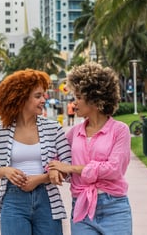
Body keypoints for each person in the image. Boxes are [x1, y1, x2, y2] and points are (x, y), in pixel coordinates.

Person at [0, 69, 71, 235]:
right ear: (20, 98)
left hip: (47, 199)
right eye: (38, 96)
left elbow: (68, 168)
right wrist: (5, 171)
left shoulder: (53, 129)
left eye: (43, 95)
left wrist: (40, 179)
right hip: (12, 199)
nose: (43, 100)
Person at [48, 63, 132, 235]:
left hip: (115, 207)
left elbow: (114, 169)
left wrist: (72, 168)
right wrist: (54, 170)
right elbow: (55, 159)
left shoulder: (120, 130)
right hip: (81, 207)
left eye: (78, 97)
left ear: (95, 99)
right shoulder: (73, 133)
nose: (74, 103)